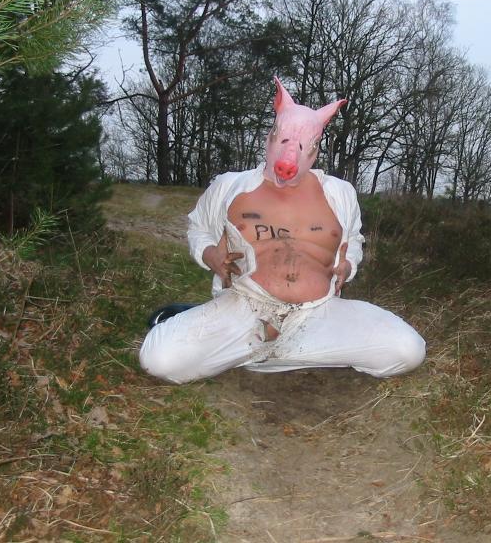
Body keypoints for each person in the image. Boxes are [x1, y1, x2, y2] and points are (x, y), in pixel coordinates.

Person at [139, 77, 425, 383]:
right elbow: (198, 227)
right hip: (245, 308)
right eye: (283, 139)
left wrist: (348, 266)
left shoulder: (340, 193)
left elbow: (352, 240)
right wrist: (210, 255)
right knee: (159, 360)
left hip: (319, 313)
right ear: (270, 137)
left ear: (315, 149)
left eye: (304, 146)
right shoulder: (230, 186)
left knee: (407, 350)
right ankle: (258, 343)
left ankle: (259, 351)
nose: (290, 156)